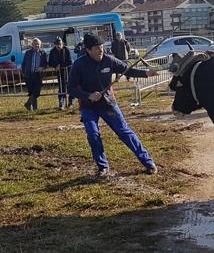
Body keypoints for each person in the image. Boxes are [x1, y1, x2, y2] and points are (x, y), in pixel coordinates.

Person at [68, 33, 159, 177]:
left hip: (108, 105)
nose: (101, 50)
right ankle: (102, 167)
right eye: (97, 48)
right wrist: (88, 96)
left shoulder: (109, 61)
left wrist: (146, 73)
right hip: (88, 107)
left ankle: (148, 162)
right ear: (88, 50)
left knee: (124, 132)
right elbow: (71, 88)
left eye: (102, 47)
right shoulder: (78, 65)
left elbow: (128, 70)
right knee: (93, 135)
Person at [21, 38, 47, 111]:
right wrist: (23, 72)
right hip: (29, 74)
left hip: (38, 75)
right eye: (35, 44)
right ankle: (33, 108)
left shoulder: (43, 53)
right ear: (32, 45)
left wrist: (42, 67)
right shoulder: (28, 53)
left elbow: (45, 64)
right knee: (31, 92)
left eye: (38, 44)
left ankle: (28, 103)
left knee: (37, 91)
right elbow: (24, 63)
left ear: (40, 45)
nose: (37, 45)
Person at [49, 37, 73, 109]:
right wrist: (55, 65)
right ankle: (62, 103)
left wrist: (61, 65)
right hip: (59, 72)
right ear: (54, 44)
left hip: (68, 71)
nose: (58, 46)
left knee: (70, 87)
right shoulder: (52, 51)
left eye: (59, 44)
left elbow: (70, 61)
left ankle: (71, 102)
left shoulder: (67, 50)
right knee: (61, 87)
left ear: (62, 43)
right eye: (57, 44)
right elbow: (50, 62)